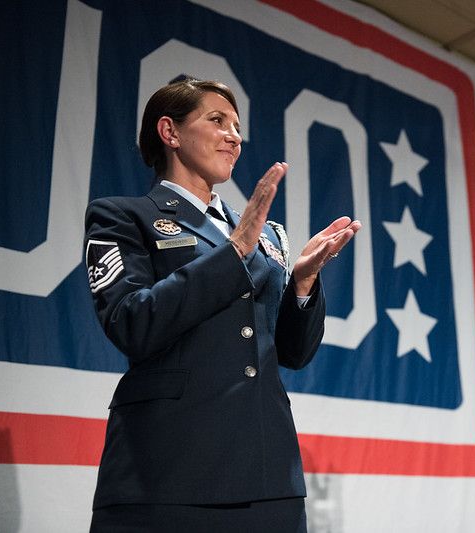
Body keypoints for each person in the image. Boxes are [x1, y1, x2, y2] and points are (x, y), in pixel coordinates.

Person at [84, 78, 361, 532]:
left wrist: (304, 282)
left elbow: (292, 353)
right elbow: (130, 322)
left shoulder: (268, 236)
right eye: (217, 120)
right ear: (170, 132)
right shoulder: (122, 215)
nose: (235, 135)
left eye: (237, 125)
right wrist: (232, 252)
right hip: (167, 472)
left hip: (270, 476)